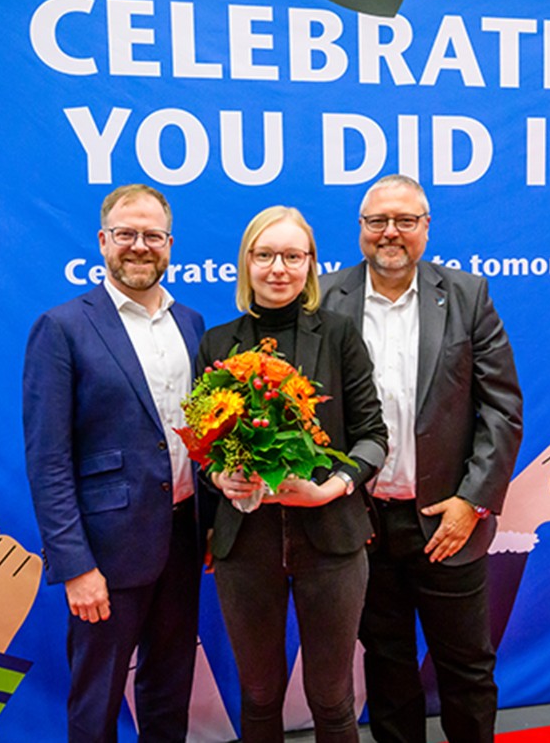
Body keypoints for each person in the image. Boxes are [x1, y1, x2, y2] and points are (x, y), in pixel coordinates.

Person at [320, 175, 523, 743]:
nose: (390, 233)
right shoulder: (325, 298)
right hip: (362, 524)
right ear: (360, 229)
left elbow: (501, 410)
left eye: (404, 221)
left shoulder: (467, 295)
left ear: (425, 228)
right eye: (377, 221)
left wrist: (472, 502)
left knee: (466, 668)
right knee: (386, 667)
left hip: (445, 519)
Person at [23, 184, 205, 742]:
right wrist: (75, 566)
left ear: (170, 244)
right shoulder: (63, 327)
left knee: (170, 687)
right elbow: (47, 459)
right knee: (97, 697)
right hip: (105, 552)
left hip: (183, 538)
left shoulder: (192, 324)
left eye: (152, 235)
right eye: (126, 234)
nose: (139, 246)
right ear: (103, 241)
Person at [198, 205, 387, 742]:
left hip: (330, 543)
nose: (278, 268)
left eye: (292, 256)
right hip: (246, 546)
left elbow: (374, 437)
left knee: (331, 698)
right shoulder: (216, 343)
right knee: (259, 696)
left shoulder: (340, 335)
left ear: (310, 266)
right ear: (246, 263)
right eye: (265, 255)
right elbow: (206, 446)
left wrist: (330, 487)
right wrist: (220, 478)